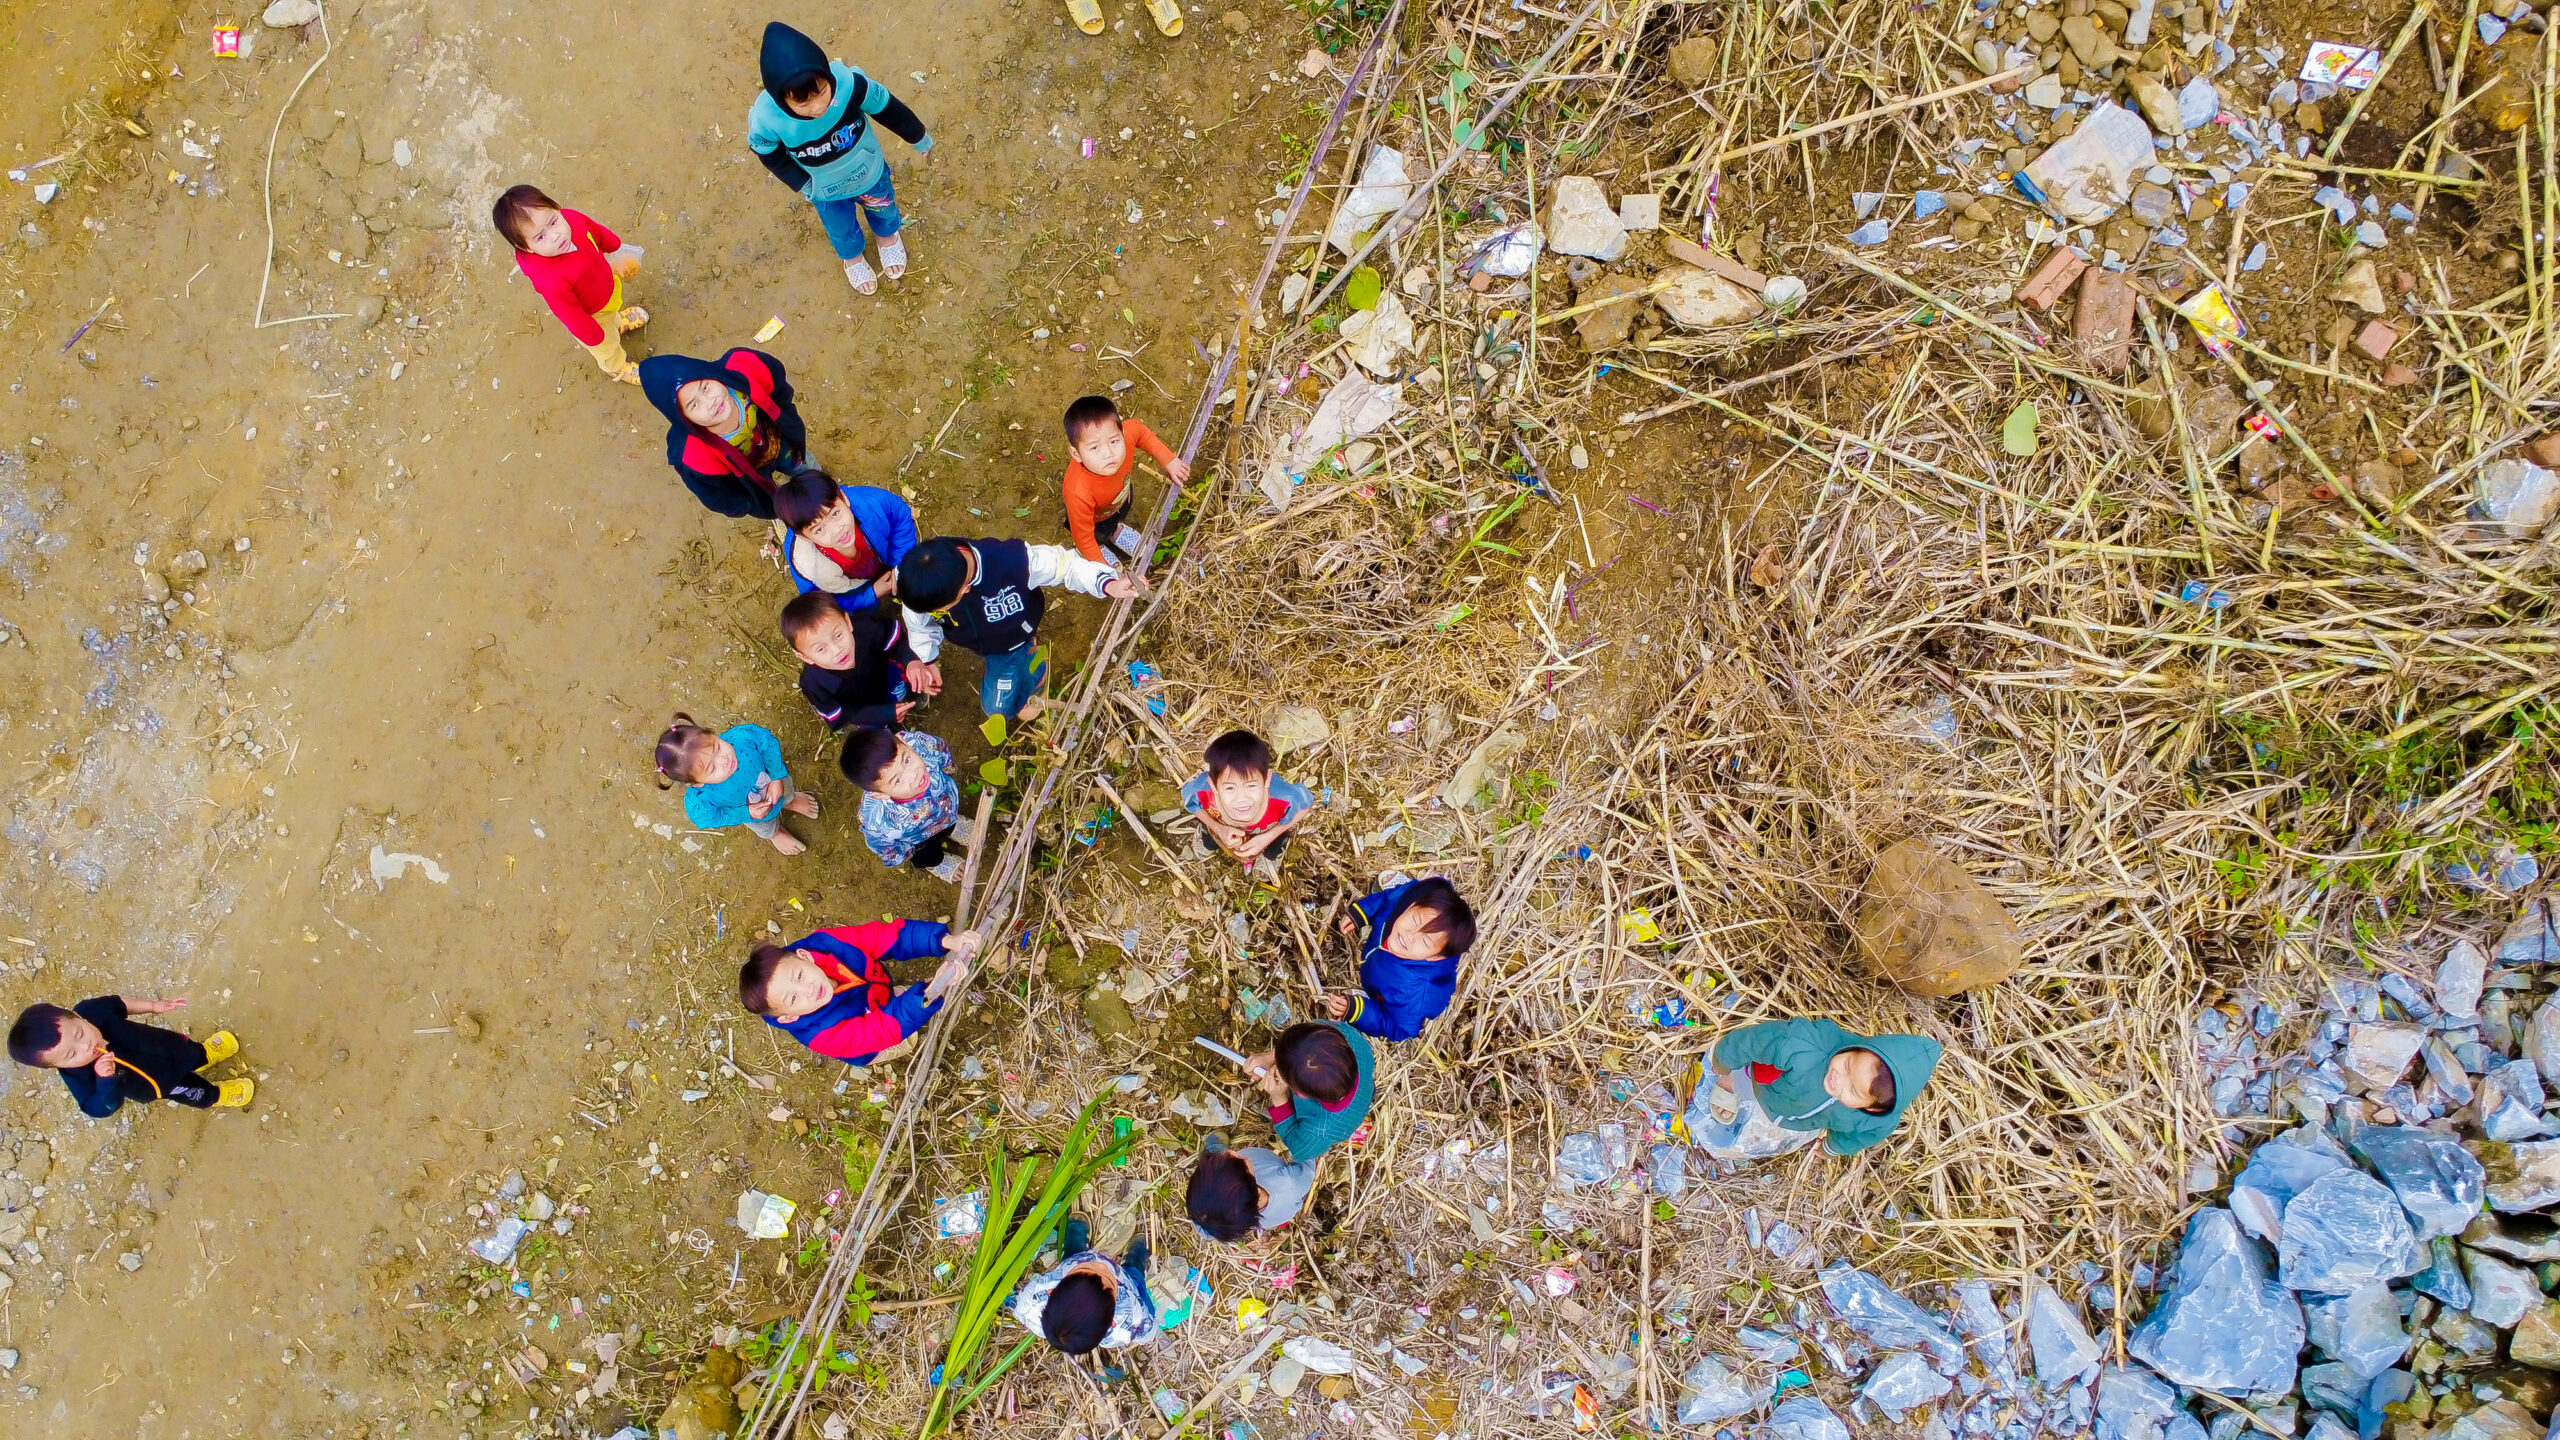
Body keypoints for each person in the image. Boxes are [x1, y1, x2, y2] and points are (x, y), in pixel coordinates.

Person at [749, 22, 934, 296]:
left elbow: (888, 109)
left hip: (868, 174)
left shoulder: (849, 85)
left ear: (827, 76)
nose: (818, 107)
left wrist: (918, 136)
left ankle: (887, 237)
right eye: (803, 103)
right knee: (841, 229)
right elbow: (769, 154)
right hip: (827, 192)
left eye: (822, 92)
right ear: (780, 100)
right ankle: (853, 259)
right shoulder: (767, 120)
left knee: (883, 208)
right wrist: (804, 184)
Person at [894, 536, 1147, 720]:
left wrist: (1108, 584)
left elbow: (1065, 564)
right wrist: (927, 659)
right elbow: (918, 623)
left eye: (941, 610)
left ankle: (1036, 669)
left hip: (1012, 639)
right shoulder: (918, 580)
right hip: (984, 642)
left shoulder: (1013, 562)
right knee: (1001, 708)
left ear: (964, 590)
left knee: (996, 710)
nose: (935, 615)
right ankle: (1030, 662)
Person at [738, 920, 979, 1066]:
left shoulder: (827, 943)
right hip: (867, 1041)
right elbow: (881, 1029)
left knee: (896, 1002)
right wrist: (930, 990)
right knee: (893, 1036)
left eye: (799, 976)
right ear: (789, 1017)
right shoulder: (823, 1036)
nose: (808, 989)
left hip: (872, 990)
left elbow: (884, 937)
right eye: (793, 999)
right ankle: (891, 1037)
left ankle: (895, 997)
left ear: (805, 956)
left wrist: (946, 941)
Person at [1706, 1019, 1942, 1156]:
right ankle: (1732, 1081)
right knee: (1757, 1069)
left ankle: (1778, 1118)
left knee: (1796, 1117)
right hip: (1774, 1080)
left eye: (1854, 1091)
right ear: (1859, 1048)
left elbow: (1859, 1138)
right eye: (1848, 1064)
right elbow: (1752, 1041)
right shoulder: (1805, 1046)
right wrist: (1723, 1062)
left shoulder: (1878, 1121)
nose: (1839, 1080)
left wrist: (1831, 1148)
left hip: (1800, 1114)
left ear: (1872, 1109)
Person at [491, 184, 648, 384]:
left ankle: (617, 323)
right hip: (593, 316)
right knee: (606, 347)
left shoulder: (572, 219)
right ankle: (617, 368)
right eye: (540, 237)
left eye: (553, 222)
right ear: (525, 247)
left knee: (612, 315)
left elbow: (595, 231)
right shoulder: (550, 280)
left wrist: (614, 245)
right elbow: (571, 316)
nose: (555, 235)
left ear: (556, 207)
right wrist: (594, 337)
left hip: (605, 285)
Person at [638, 349, 817, 520]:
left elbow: (777, 384)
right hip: (751, 473)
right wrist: (757, 505)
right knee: (782, 505)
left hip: (782, 443)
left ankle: (813, 480)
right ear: (682, 418)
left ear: (709, 372)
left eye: (705, 387)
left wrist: (788, 417)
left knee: (803, 468)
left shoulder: (746, 367)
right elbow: (718, 496)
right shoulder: (692, 456)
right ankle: (786, 510)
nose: (710, 402)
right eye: (693, 405)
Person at [8, 997, 251, 1115]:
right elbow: (96, 1108)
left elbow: (119, 1004)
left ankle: (207, 1055)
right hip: (157, 1084)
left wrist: (153, 1006)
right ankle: (216, 1094)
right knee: (191, 1091)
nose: (85, 1046)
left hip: (166, 1046)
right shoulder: (76, 1075)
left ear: (78, 1017)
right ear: (58, 1066)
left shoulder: (91, 1011)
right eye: (72, 1054)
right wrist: (105, 1083)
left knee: (193, 1052)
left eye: (80, 1033)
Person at [1324, 875, 1475, 1042]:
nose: (1410, 935)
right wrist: (1362, 913)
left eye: (1425, 941)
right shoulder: (1404, 902)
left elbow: (1399, 1028)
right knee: (1406, 891)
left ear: (1435, 957)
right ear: (1411, 906)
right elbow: (1389, 899)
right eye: (1415, 920)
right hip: (1386, 951)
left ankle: (1371, 1001)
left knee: (1381, 999)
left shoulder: (1410, 992)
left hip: (1399, 990)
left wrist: (1359, 1011)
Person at [654, 713, 817, 855]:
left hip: (775, 781)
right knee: (765, 826)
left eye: (717, 747)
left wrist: (776, 777)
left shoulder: (741, 738)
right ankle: (775, 833)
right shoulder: (700, 800)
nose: (724, 760)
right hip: (755, 814)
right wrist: (746, 813)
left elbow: (767, 743)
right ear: (695, 783)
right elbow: (710, 818)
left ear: (712, 734)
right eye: (712, 767)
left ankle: (790, 801)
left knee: (786, 791)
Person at [1059, 394, 1191, 563]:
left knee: (1117, 516)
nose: (1108, 454)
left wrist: (1169, 460)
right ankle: (1099, 549)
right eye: (1094, 447)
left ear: (1121, 433)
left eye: (1114, 441)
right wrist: (1104, 574)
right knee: (1093, 535)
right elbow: (1083, 538)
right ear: (1076, 454)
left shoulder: (1125, 437)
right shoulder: (1078, 493)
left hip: (1119, 499)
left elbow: (1140, 431)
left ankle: (1115, 530)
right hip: (1095, 518)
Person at [839, 726, 971, 882]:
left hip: (945, 809)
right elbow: (883, 846)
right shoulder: (878, 820)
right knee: (928, 855)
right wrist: (902, 855)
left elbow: (942, 752)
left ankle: (953, 826)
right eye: (897, 780)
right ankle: (937, 863)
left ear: (903, 741)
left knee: (950, 822)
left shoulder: (921, 743)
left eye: (907, 760)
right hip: (918, 840)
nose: (913, 774)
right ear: (879, 794)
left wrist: (949, 769)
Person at [776, 470, 917, 612]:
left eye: (835, 514)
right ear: (805, 537)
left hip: (888, 562)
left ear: (844, 498)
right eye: (819, 530)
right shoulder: (806, 567)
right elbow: (823, 603)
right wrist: (871, 595)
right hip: (857, 593)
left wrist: (900, 564)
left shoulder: (869, 503)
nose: (837, 530)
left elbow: (900, 515)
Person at [1012, 1217, 1156, 1355]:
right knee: (1135, 1278)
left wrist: (1085, 1267)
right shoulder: (1129, 1320)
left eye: (1086, 1271)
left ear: (1052, 1291)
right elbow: (1147, 1331)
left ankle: (1075, 1247)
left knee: (1072, 1257)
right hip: (1127, 1284)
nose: (1101, 1265)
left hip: (1075, 1262)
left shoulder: (1034, 1297)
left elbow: (1020, 1308)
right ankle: (1134, 1260)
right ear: (1112, 1322)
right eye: (1108, 1279)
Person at [1181, 729, 1313, 881]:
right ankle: (1208, 842)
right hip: (1219, 823)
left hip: (1268, 827)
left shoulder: (1284, 797)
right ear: (1214, 786)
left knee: (1277, 840)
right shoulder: (1202, 791)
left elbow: (1305, 805)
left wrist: (1268, 837)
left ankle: (1270, 855)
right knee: (1210, 835)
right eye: (1230, 788)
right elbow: (1190, 802)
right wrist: (1219, 828)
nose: (1241, 799)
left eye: (1251, 786)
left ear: (1267, 780)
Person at [781, 592, 922, 731]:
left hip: (888, 675)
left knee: (905, 686)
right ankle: (889, 728)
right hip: (865, 710)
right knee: (878, 729)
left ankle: (913, 693)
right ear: (805, 657)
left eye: (838, 635)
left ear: (848, 622)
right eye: (821, 649)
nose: (837, 650)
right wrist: (883, 714)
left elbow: (895, 641)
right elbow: (841, 716)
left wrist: (911, 662)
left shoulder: (864, 627)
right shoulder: (813, 684)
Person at [1243, 1020, 1373, 1165]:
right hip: (1364, 1090)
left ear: (1300, 1094)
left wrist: (1279, 1098)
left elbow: (1298, 1147)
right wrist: (1269, 1057)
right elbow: (1310, 1037)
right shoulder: (1351, 1038)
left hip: (1342, 1124)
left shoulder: (1317, 1132)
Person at [1184, 1133, 1317, 1244]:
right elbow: (1307, 1163)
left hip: (1257, 1215)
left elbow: (1205, 1228)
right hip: (1282, 1207)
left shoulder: (1209, 1218)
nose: (1230, 1152)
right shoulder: (1289, 1184)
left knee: (1215, 1154)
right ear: (1258, 1193)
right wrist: (1296, 1132)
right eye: (1236, 1160)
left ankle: (1214, 1148)